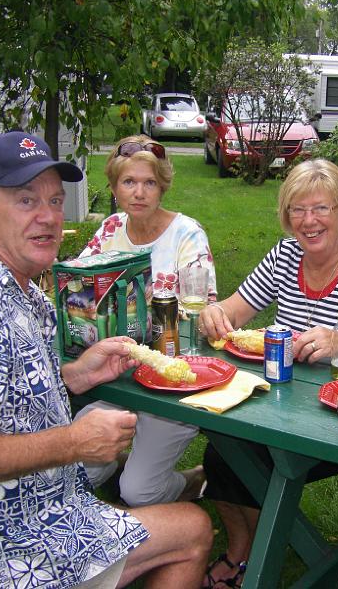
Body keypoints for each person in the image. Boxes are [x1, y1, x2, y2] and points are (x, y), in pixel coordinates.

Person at [0, 131, 213, 589]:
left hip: (43, 512)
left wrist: (73, 376)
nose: (48, 218)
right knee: (193, 529)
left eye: (56, 201)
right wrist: (74, 443)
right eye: (26, 201)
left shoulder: (18, 289)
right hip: (1, 555)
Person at [197, 158, 338, 587]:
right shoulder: (286, 256)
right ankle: (242, 552)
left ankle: (268, 552)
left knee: (256, 458)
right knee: (221, 450)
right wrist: (215, 313)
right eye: (297, 210)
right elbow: (235, 308)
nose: (308, 221)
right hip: (286, 405)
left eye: (322, 209)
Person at [76, 134, 216, 507]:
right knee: (76, 471)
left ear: (162, 186)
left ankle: (186, 482)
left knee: (137, 492)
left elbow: (203, 314)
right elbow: (76, 283)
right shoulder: (109, 230)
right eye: (129, 182)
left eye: (149, 182)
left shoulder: (187, 233)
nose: (139, 193)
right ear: (114, 187)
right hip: (116, 375)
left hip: (171, 376)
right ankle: (122, 463)